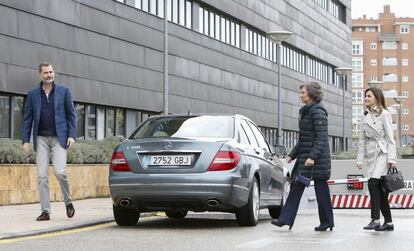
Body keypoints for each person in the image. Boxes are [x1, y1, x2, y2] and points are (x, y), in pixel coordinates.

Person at [271, 82, 333, 231]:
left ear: (311, 94)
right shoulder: (306, 111)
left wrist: (312, 157)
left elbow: (322, 138)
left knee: (321, 192)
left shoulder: (318, 111)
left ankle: (327, 222)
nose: (300, 95)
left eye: (302, 93)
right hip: (305, 159)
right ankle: (285, 219)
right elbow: (305, 138)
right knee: (295, 187)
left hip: (317, 160)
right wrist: (292, 155)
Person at [22, 62, 77, 221]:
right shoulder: (32, 94)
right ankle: (45, 211)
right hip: (41, 139)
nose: (49, 75)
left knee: (60, 172)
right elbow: (27, 119)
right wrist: (25, 140)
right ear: (40, 75)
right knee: (42, 176)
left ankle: (68, 202)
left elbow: (71, 115)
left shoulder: (64, 91)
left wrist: (71, 135)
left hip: (59, 138)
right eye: (46, 73)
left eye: (51, 72)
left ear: (54, 73)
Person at [356, 87, 396, 231]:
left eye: (369, 96)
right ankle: (389, 223)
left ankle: (375, 219)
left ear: (376, 98)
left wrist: (392, 158)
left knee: (373, 183)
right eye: (365, 96)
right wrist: (359, 160)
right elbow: (361, 140)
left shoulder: (385, 114)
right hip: (371, 155)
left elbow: (391, 138)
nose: (366, 98)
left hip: (382, 153)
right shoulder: (364, 115)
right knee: (380, 189)